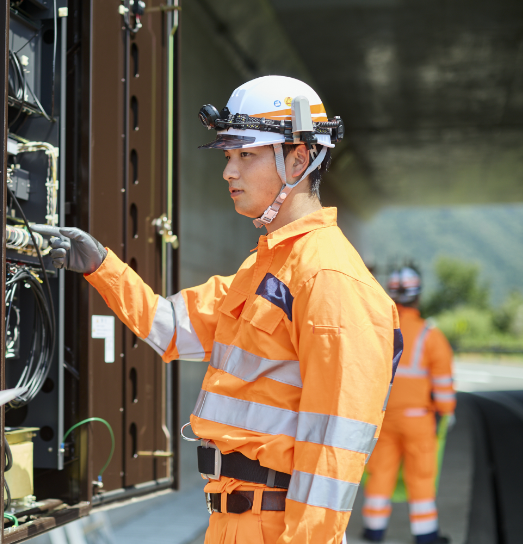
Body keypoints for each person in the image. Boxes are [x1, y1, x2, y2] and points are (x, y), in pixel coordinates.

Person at [34, 76, 401, 543]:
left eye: (245, 155)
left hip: (277, 528)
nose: (229, 172)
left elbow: (334, 450)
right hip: (233, 521)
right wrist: (101, 266)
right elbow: (169, 328)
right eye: (228, 156)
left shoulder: (329, 279)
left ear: (298, 158)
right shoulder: (264, 269)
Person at [362, 267, 455, 544]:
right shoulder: (431, 336)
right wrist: (446, 414)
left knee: (380, 473)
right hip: (418, 421)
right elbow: (443, 385)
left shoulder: (378, 332)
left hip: (383, 417)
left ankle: (373, 530)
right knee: (421, 476)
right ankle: (426, 536)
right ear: (418, 297)